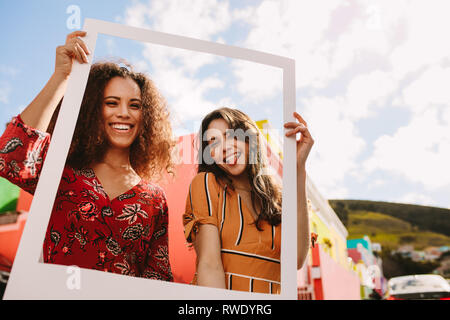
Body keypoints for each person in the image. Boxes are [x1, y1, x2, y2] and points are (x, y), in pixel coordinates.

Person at [0, 31, 175, 281]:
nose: (124, 113)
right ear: (93, 109)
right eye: (112, 103)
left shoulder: (154, 198)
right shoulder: (62, 169)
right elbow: (10, 157)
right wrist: (61, 78)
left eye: (134, 105)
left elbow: (157, 277)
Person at [183, 107, 314, 294]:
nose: (224, 147)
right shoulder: (206, 184)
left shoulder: (281, 200)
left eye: (230, 136)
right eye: (213, 142)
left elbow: (297, 259)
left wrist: (298, 167)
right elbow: (209, 264)